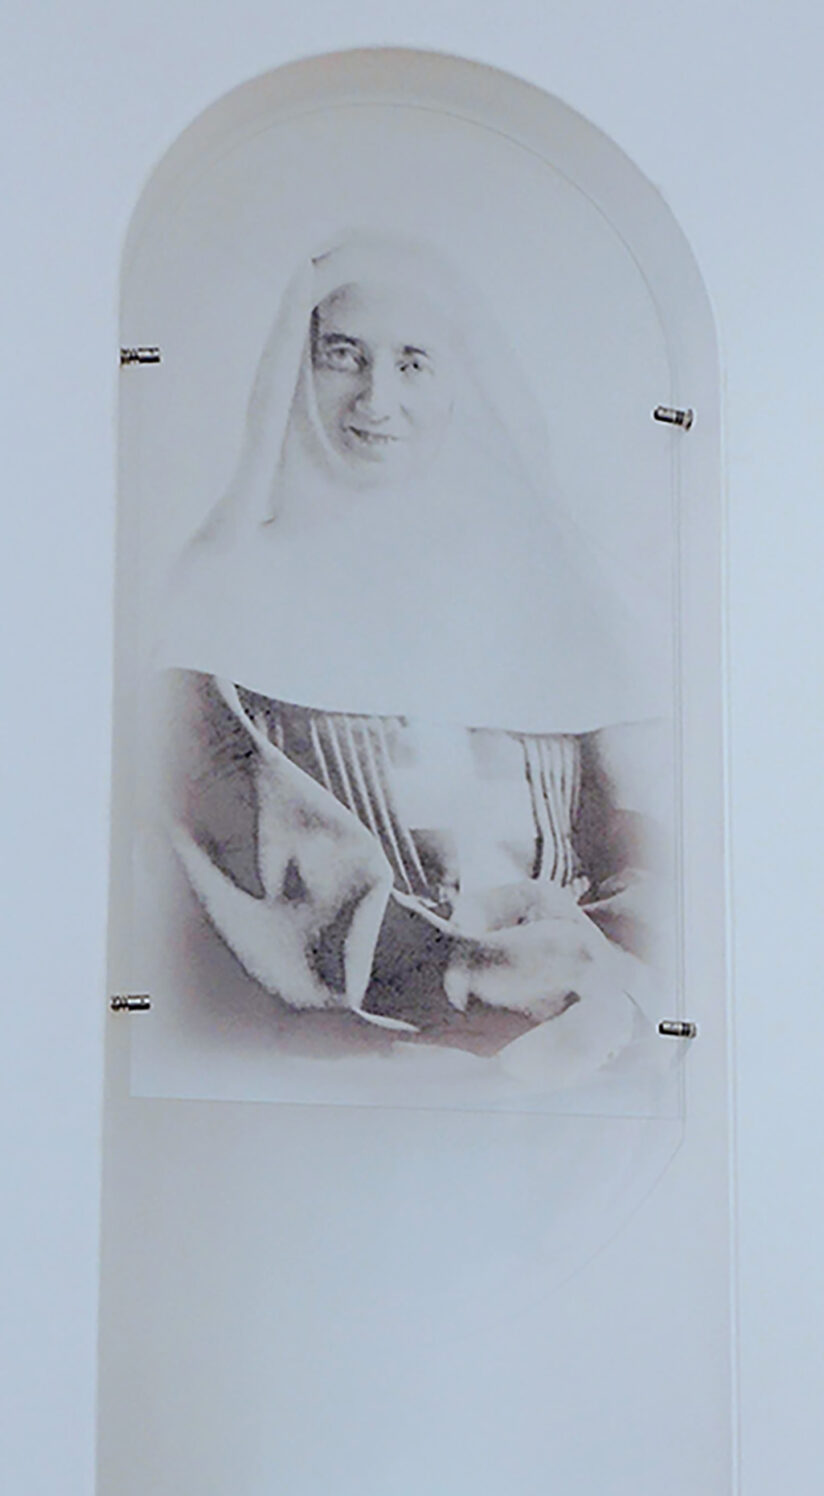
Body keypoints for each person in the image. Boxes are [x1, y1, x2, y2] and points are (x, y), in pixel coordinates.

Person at [159, 233, 657, 1081]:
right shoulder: (228, 587)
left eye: (414, 363)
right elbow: (223, 858)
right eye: (342, 357)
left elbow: (651, 857)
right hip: (330, 1062)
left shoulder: (554, 604)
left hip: (577, 1054)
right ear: (292, 367)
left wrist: (591, 964)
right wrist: (462, 971)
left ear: (464, 383)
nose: (375, 400)